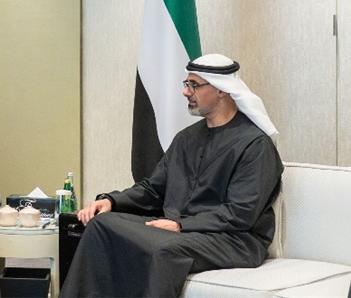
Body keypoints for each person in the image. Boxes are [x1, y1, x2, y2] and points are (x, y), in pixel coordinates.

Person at [59, 54, 284, 298]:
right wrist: (112, 201)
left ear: (222, 89)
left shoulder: (254, 145)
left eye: (194, 85)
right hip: (185, 231)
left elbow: (240, 213)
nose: (186, 92)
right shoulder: (186, 138)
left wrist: (181, 225)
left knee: (164, 249)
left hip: (234, 240)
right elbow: (154, 189)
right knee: (101, 225)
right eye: (186, 84)